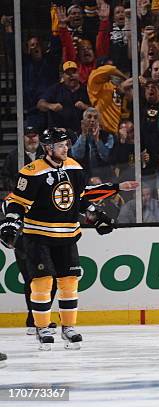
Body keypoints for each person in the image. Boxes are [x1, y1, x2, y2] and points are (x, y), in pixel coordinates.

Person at [0, 128, 116, 351]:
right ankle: (42, 328)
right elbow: (17, 202)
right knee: (42, 282)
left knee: (69, 282)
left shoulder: (74, 167)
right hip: (38, 236)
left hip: (67, 235)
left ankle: (69, 327)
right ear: (48, 147)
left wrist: (95, 215)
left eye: (66, 144)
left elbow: (78, 199)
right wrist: (10, 222)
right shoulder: (32, 171)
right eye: (61, 145)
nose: (66, 148)